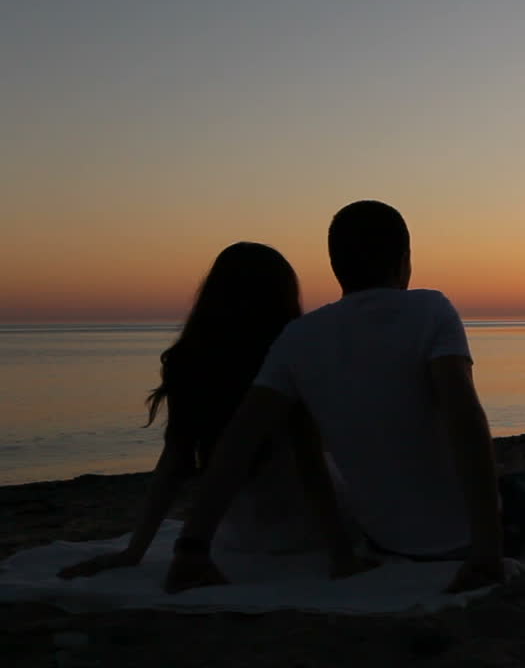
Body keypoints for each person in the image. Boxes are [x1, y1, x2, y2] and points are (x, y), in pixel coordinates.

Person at [164, 201, 525, 594]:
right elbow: (466, 421)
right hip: (469, 537)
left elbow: (237, 444)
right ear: (403, 260)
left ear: (336, 267)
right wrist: (486, 551)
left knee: (513, 480)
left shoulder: (298, 338)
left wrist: (192, 547)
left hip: (386, 541)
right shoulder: (430, 310)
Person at [59, 243, 357, 581]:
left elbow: (173, 463)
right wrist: (341, 554)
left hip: (238, 534)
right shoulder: (288, 359)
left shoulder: (191, 362)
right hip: (304, 530)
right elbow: (310, 463)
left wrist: (134, 551)